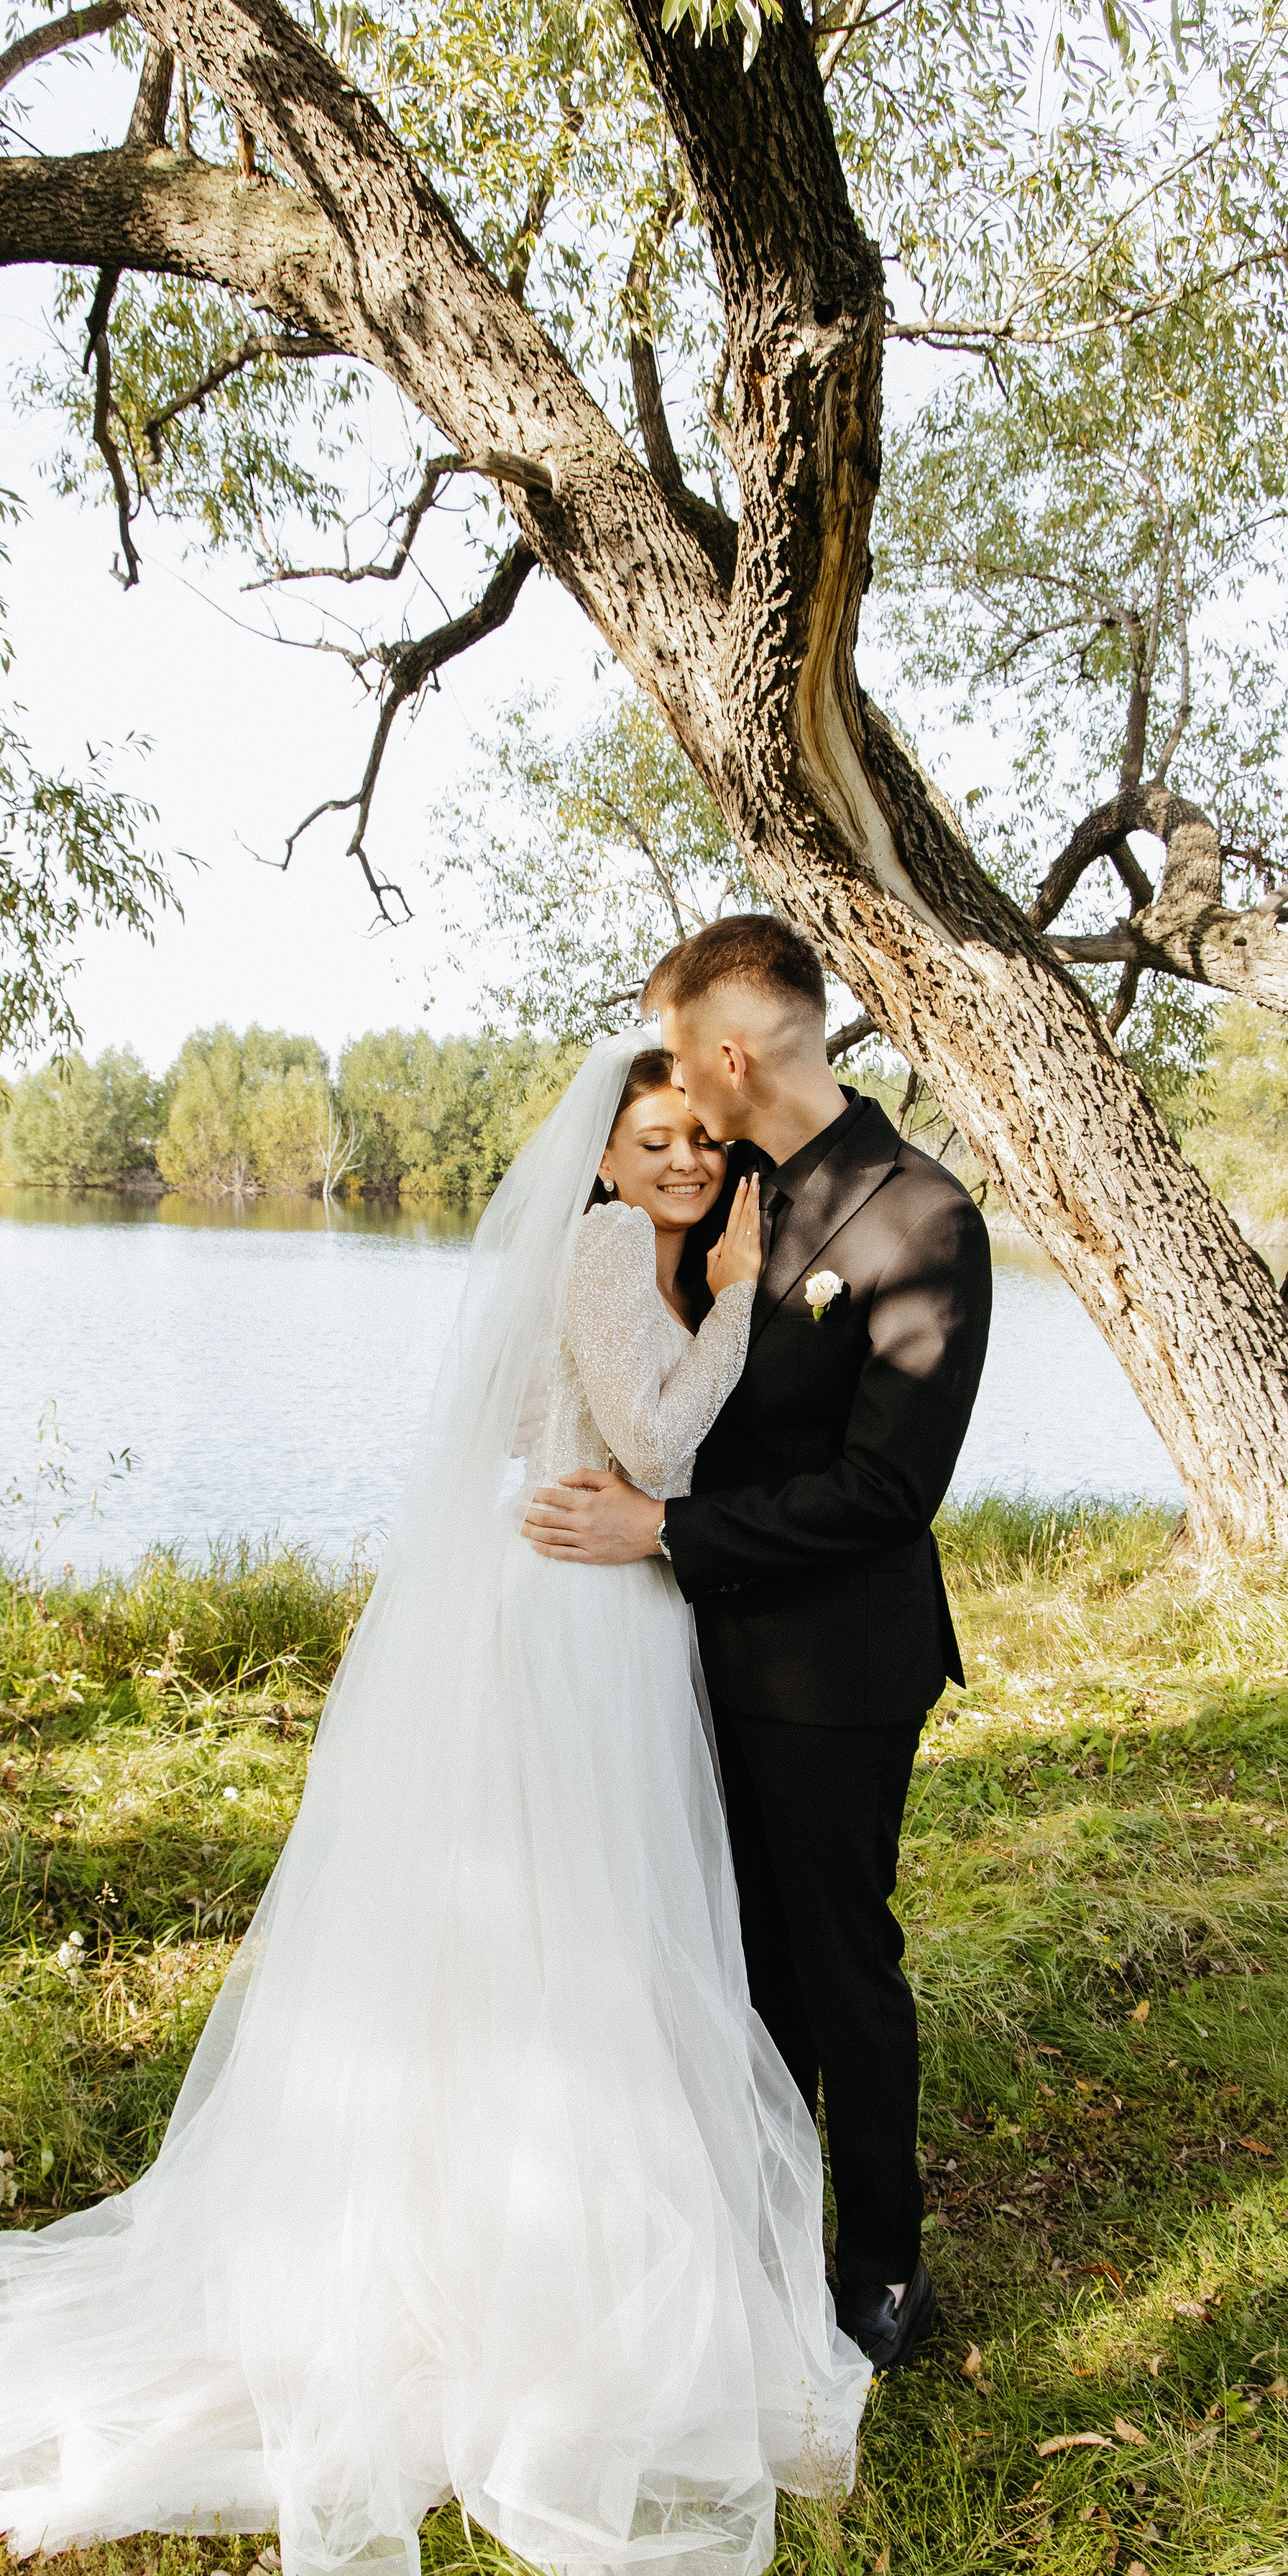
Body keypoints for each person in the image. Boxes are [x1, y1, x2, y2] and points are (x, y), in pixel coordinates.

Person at [0, 1032, 870, 2576]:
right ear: (604, 1157)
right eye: (655, 1141)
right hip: (576, 1619)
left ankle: (539, 2223)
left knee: (567, 1943)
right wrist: (750, 1296)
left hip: (582, 1608)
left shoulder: (632, 1256)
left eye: (701, 1138)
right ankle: (530, 2267)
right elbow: (656, 1451)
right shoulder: (607, 1248)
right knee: (577, 1935)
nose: (685, 1162)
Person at [523, 917, 993, 2372]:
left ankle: (884, 2268)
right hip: (687, 1652)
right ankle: (756, 2232)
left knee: (836, 1964)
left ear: (728, 1055)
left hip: (833, 1668)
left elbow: (887, 1489)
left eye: (679, 1058)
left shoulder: (921, 1222)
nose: (670, 1090)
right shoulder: (726, 1188)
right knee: (736, 1964)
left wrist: (664, 1531)